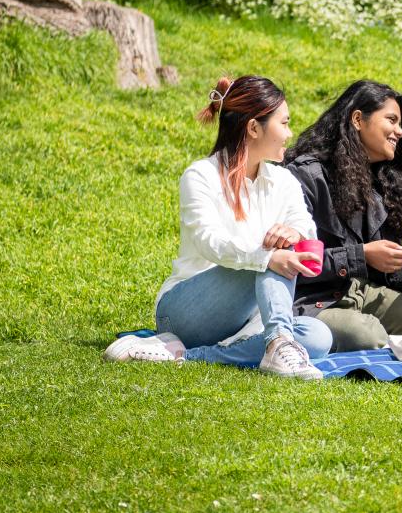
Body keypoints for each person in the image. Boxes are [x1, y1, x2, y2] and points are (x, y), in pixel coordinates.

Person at [103, 75, 331, 379]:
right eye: (284, 123)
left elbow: (307, 233)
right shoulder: (200, 176)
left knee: (318, 337)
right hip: (187, 311)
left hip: (247, 319)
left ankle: (189, 355)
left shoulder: (284, 181)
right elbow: (210, 241)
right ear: (253, 128)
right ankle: (277, 343)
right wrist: (266, 257)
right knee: (270, 256)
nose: (290, 133)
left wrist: (296, 234)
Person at [283, 80, 402, 351]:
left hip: (364, 291)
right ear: (357, 119)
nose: (399, 132)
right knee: (367, 335)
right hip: (313, 297)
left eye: (400, 124)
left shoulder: (385, 181)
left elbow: (382, 265)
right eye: (391, 120)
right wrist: (361, 255)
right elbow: (294, 263)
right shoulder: (307, 176)